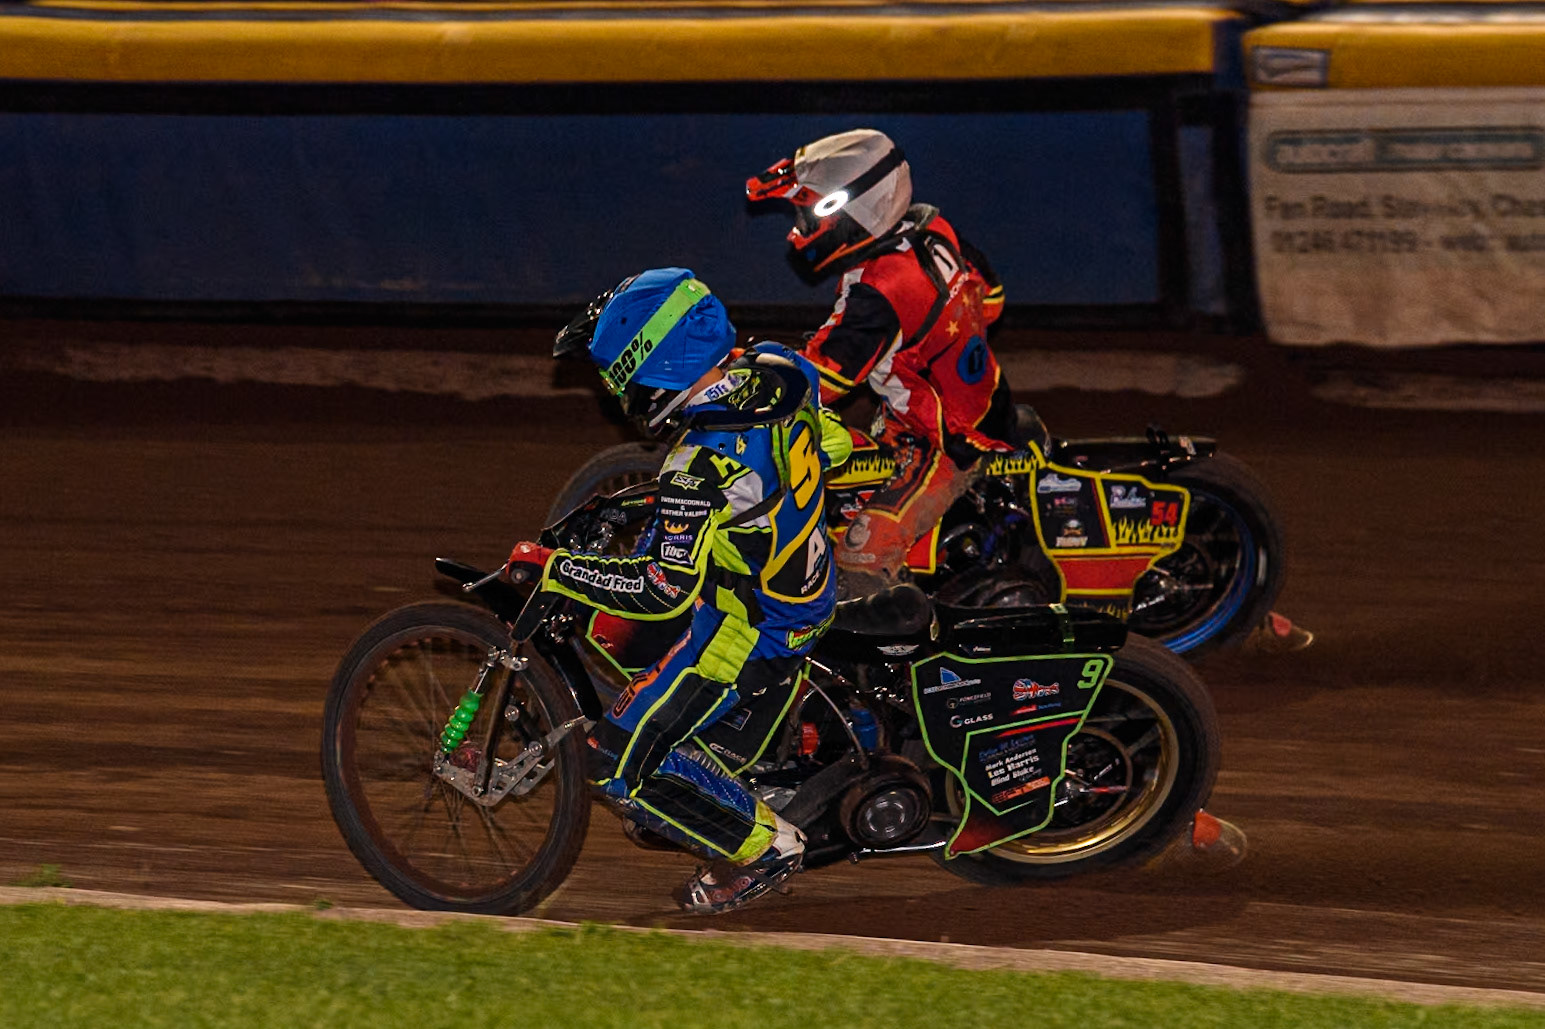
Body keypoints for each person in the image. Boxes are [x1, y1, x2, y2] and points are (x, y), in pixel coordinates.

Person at [505, 267, 852, 915]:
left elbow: (658, 588)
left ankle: (758, 849)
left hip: (744, 632)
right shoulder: (779, 366)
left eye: (619, 379)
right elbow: (830, 446)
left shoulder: (695, 464)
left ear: (658, 364)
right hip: (804, 581)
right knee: (641, 665)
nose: (618, 396)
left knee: (612, 758)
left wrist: (555, 567)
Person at [748, 128, 1015, 595]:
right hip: (972, 403)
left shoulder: (877, 292)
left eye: (810, 214)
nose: (803, 227)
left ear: (856, 213)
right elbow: (991, 300)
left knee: (857, 560)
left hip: (946, 444)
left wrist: (737, 373)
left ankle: (904, 653)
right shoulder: (931, 226)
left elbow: (819, 382)